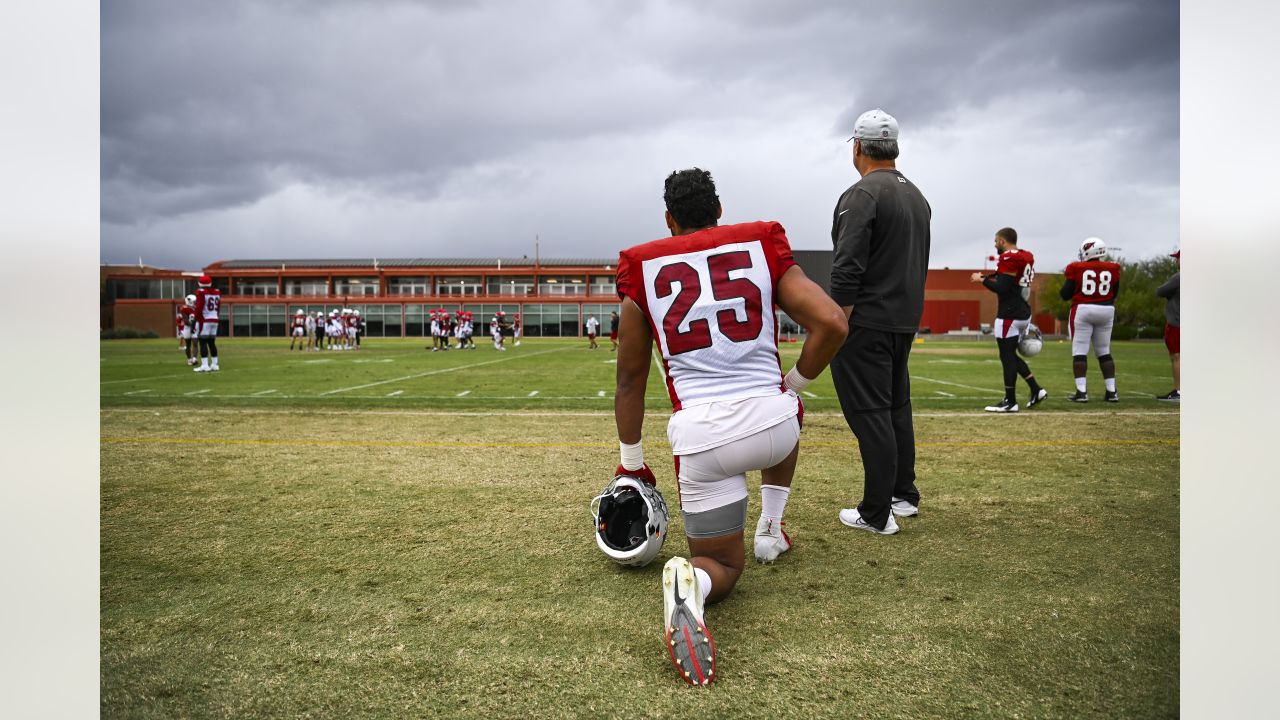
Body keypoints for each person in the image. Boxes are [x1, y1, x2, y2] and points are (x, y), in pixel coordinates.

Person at [613, 167, 847, 685]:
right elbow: (831, 322)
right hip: (773, 431)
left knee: (722, 565)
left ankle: (693, 582)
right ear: (720, 210)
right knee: (787, 406)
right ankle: (770, 528)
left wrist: (632, 465)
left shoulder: (641, 265)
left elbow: (630, 380)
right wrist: (795, 382)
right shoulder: (761, 242)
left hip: (701, 441)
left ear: (669, 218)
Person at [827, 108, 932, 536]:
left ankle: (876, 512)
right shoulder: (917, 195)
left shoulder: (863, 194)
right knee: (895, 409)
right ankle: (902, 495)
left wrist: (837, 322)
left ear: (857, 148)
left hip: (866, 321)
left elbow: (847, 268)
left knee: (870, 412)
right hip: (902, 319)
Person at [971, 227, 1048, 413]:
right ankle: (1036, 390)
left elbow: (1003, 287)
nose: (995, 244)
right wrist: (986, 277)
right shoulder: (1025, 255)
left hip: (1009, 314)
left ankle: (1010, 401)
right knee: (1010, 355)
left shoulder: (1008, 257)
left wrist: (982, 280)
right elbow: (1007, 280)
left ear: (1003, 241)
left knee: (1007, 357)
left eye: (997, 240)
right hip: (1023, 312)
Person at [1061, 237, 1122, 402]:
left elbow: (1065, 294)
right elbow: (1114, 293)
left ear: (1088, 250)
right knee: (1104, 351)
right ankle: (1112, 392)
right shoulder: (1113, 268)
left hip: (1083, 309)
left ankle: (1081, 392)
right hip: (1107, 309)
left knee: (1080, 351)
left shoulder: (1076, 267)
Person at [1156, 249, 1180, 401]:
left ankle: (1179, 391)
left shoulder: (1179, 277)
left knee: (1176, 357)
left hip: (1177, 322)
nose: (1175, 261)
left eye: (1177, 258)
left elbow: (1160, 291)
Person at [192, 275, 221, 372]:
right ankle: (215, 364)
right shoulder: (217, 292)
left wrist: (195, 319)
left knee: (203, 342)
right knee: (212, 343)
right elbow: (219, 307)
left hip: (205, 320)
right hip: (215, 319)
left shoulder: (201, 292)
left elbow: (199, 307)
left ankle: (205, 365)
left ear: (200, 283)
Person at [178, 295, 197, 365]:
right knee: (188, 345)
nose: (195, 303)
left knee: (195, 342)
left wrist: (194, 326)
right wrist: (192, 326)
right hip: (187, 327)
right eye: (194, 301)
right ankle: (189, 359)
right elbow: (186, 320)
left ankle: (194, 359)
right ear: (190, 301)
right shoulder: (184, 308)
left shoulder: (196, 308)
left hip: (194, 326)